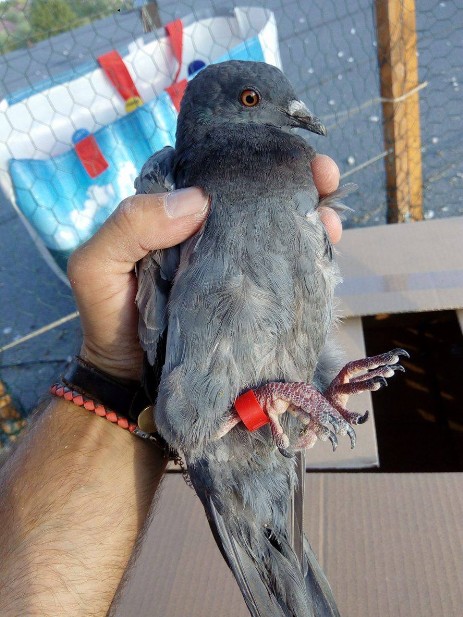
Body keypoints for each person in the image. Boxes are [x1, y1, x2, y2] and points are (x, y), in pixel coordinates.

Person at [0, 155, 343, 616]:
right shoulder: (176, 177)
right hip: (223, 419)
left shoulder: (281, 172)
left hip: (265, 410)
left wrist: (112, 375)